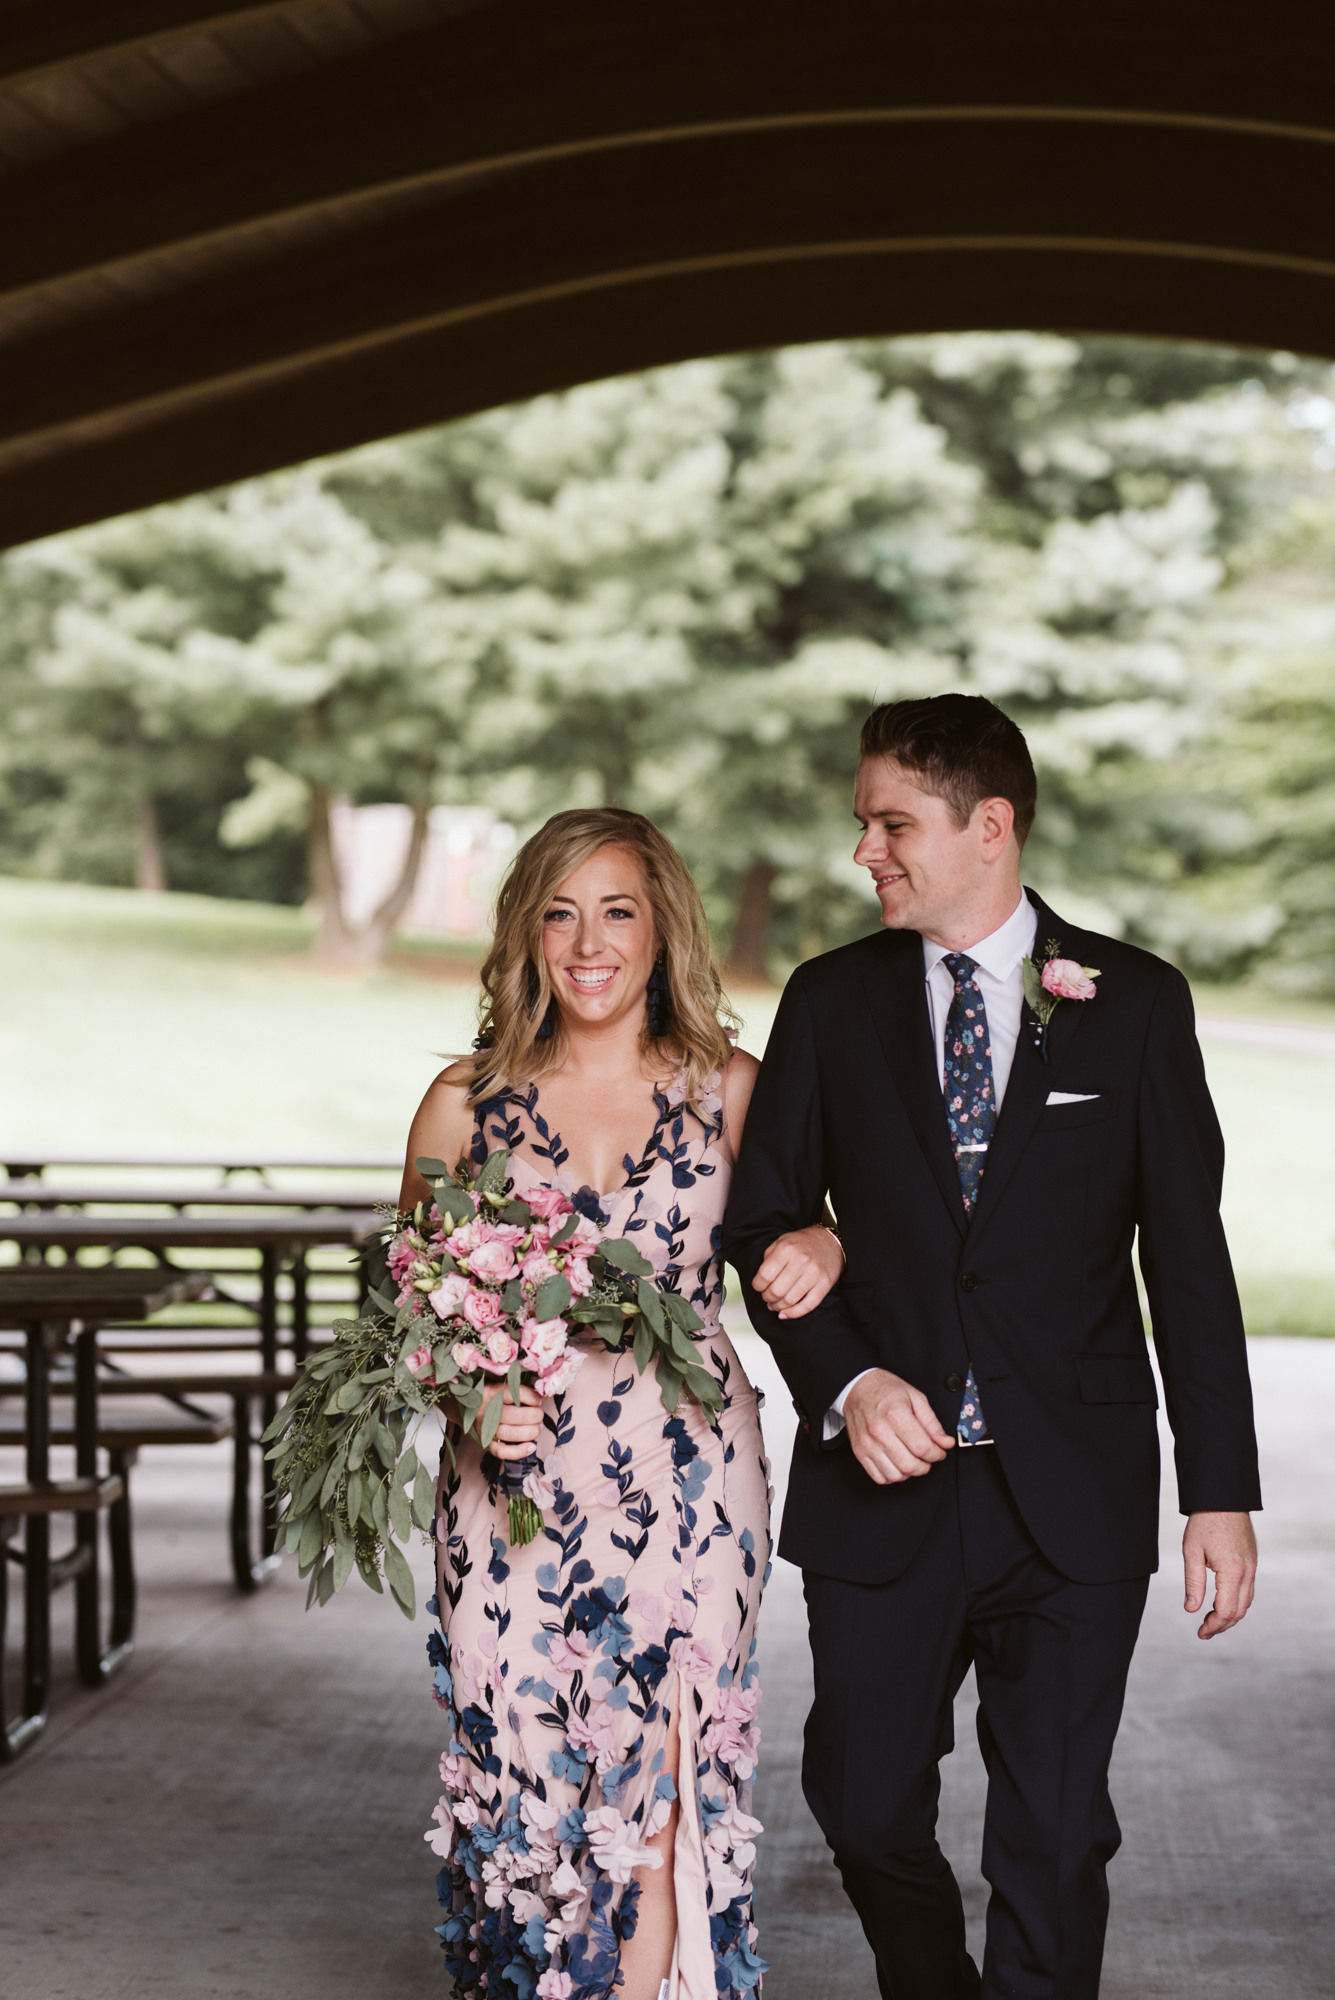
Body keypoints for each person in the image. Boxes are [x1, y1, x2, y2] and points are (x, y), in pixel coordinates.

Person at [724, 694, 1262, 2000]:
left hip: (1066, 1494)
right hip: (880, 1494)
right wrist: (846, 1383)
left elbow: (1184, 1260)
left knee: (1053, 1834)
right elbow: (765, 1223)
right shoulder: (828, 1000)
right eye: (861, 824)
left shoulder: (1126, 1003)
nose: (864, 853)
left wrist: (1218, 1489)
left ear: (988, 825)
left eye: (890, 824)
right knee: (858, 1807)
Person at [400, 806, 840, 2000]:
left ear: (663, 930)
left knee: (661, 1778)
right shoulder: (464, 1103)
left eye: (618, 909)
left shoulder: (734, 1089)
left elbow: (821, 1237)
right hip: (514, 1496)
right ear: (525, 934)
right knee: (526, 1779)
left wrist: (822, 1243)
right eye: (559, 911)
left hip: (689, 1477)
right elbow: (412, 1307)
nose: (588, 942)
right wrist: (469, 1395)